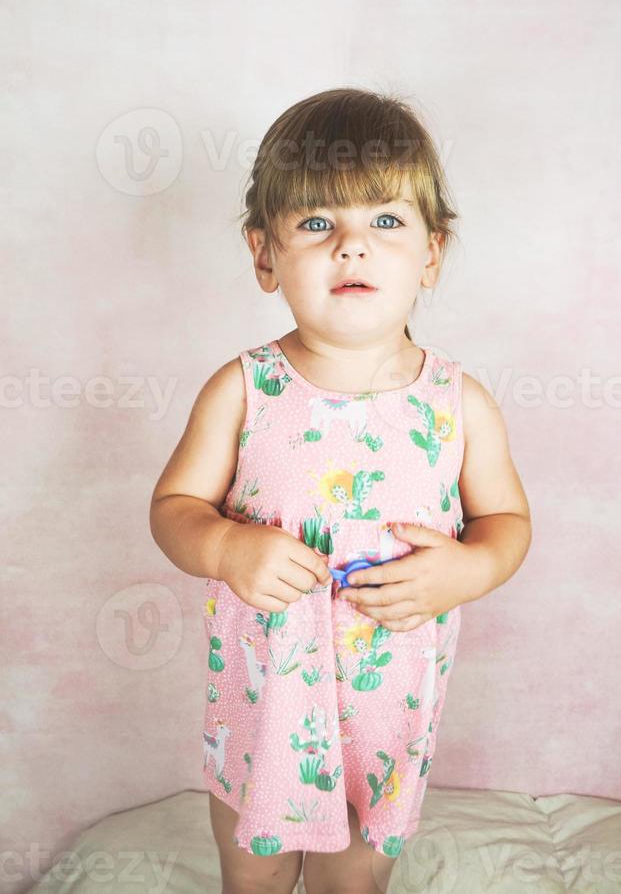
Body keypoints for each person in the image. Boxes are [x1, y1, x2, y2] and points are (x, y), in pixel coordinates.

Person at [149, 87, 532, 894]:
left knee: (352, 879)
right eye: (318, 224)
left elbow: (506, 521)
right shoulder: (245, 388)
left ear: (432, 253)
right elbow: (174, 509)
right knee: (252, 872)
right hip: (264, 710)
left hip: (387, 711)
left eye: (386, 222)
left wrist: (470, 568)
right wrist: (224, 543)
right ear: (265, 255)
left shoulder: (458, 403)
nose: (352, 247)